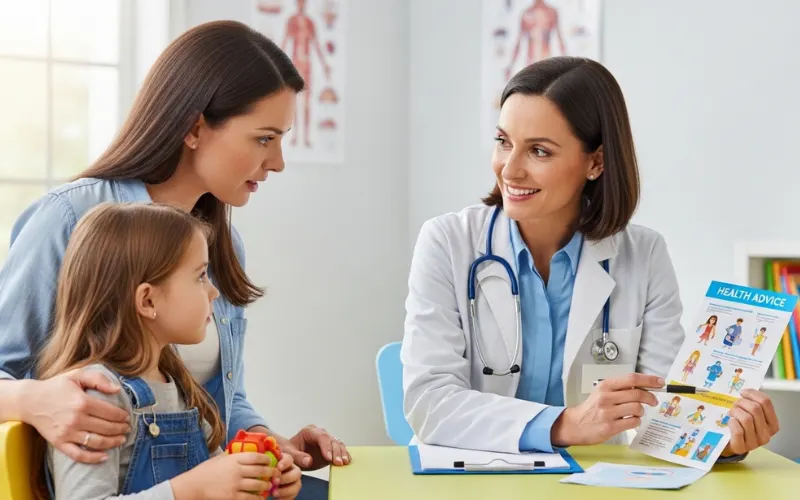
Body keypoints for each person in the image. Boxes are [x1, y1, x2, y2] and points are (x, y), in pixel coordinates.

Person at [0, 21, 348, 499]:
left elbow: (224, 401)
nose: (279, 162)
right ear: (195, 127)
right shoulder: (69, 219)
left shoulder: (219, 245)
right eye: (264, 138)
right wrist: (34, 400)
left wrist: (266, 445)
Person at [401, 57, 779, 460]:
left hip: (590, 480)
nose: (509, 169)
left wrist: (723, 442)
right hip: (468, 475)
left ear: (595, 162)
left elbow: (666, 406)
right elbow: (431, 404)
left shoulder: (644, 255)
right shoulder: (448, 242)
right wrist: (568, 424)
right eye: (503, 142)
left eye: (539, 151)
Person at [37, 203, 296, 499]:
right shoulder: (97, 395)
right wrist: (192, 490)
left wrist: (260, 478)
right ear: (148, 301)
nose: (213, 292)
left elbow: (214, 478)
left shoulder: (179, 385)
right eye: (200, 276)